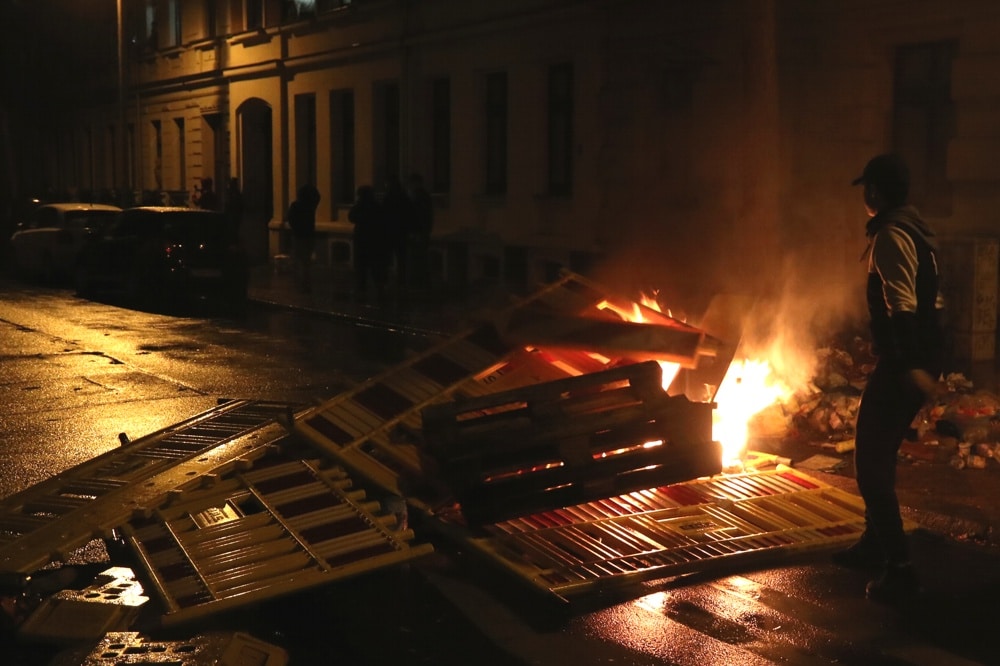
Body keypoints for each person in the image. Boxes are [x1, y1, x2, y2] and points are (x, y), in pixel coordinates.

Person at [832, 153, 946, 604]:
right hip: (916, 357)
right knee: (883, 451)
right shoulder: (915, 230)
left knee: (869, 464)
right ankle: (875, 542)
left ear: (875, 193)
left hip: (907, 360)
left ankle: (899, 569)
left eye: (866, 189)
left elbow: (903, 307)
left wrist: (905, 364)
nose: (864, 196)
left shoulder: (891, 237)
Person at [348, 185, 389, 304]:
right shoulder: (376, 206)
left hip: (361, 240)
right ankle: (379, 289)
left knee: (361, 267)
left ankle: (362, 290)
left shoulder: (359, 206)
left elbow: (351, 216)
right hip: (375, 240)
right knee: (375, 266)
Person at [380, 177, 414, 299]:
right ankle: (401, 282)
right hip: (401, 233)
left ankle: (385, 282)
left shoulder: (387, 198)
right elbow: (410, 215)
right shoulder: (404, 198)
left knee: (386, 259)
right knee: (402, 259)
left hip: (389, 233)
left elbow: (383, 215)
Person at [287, 183, 321, 293]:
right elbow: (317, 197)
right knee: (306, 261)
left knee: (298, 260)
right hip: (309, 235)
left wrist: (295, 228)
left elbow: (291, 219)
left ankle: (299, 284)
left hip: (298, 235)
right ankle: (306, 283)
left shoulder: (296, 205)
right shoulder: (310, 205)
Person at [407, 173, 434, 289]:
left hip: (418, 232)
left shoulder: (417, 197)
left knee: (417, 257)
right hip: (422, 231)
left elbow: (417, 216)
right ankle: (421, 281)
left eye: (411, 183)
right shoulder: (423, 196)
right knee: (420, 256)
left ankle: (419, 281)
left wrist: (414, 231)